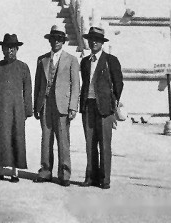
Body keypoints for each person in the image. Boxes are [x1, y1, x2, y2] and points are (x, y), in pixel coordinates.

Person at [33, 25, 80, 186]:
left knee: (63, 140)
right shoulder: (42, 59)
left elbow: (76, 85)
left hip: (62, 105)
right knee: (46, 139)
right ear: (50, 40)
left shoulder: (71, 60)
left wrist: (73, 106)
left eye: (59, 39)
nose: (56, 42)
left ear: (63, 41)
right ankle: (45, 171)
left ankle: (64, 174)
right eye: (53, 39)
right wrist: (36, 106)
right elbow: (38, 84)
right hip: (45, 103)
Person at [79, 26, 123, 189]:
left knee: (104, 144)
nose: (94, 43)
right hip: (88, 106)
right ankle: (91, 177)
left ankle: (104, 179)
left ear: (102, 42)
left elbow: (118, 84)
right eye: (91, 40)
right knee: (90, 144)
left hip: (105, 108)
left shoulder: (110, 60)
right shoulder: (84, 62)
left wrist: (113, 103)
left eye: (97, 40)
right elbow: (85, 83)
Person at [0, 33, 32, 183]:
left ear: (17, 49)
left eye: (13, 48)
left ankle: (14, 172)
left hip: (16, 110)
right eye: (7, 48)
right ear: (2, 49)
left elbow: (28, 91)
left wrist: (27, 110)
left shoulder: (23, 67)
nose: (10, 51)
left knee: (15, 139)